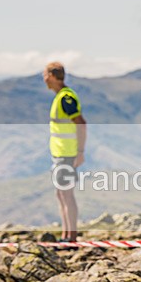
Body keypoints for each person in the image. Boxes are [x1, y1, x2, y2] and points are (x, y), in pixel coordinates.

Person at [43, 61, 87, 242]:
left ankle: (71, 236)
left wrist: (80, 151)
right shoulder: (60, 97)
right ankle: (66, 234)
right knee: (60, 194)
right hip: (60, 154)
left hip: (67, 154)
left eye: (45, 75)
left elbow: (81, 123)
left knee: (66, 194)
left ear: (52, 76)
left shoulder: (66, 98)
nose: (44, 79)